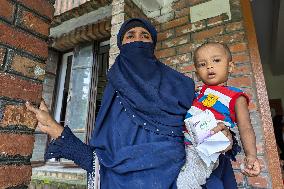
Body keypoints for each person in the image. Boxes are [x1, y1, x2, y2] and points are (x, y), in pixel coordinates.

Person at [26, 18, 235, 189]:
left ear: (152, 46)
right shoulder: (113, 93)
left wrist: (225, 136)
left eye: (145, 36)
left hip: (180, 179)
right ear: (121, 45)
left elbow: (206, 128)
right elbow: (99, 162)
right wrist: (53, 127)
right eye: (130, 36)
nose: (138, 40)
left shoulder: (180, 86)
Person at [177, 42, 261, 188]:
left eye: (216, 60)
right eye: (202, 64)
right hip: (183, 148)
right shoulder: (197, 93)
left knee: (184, 183)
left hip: (205, 152)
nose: (209, 66)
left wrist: (251, 156)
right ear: (197, 73)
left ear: (230, 67)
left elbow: (245, 127)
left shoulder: (235, 96)